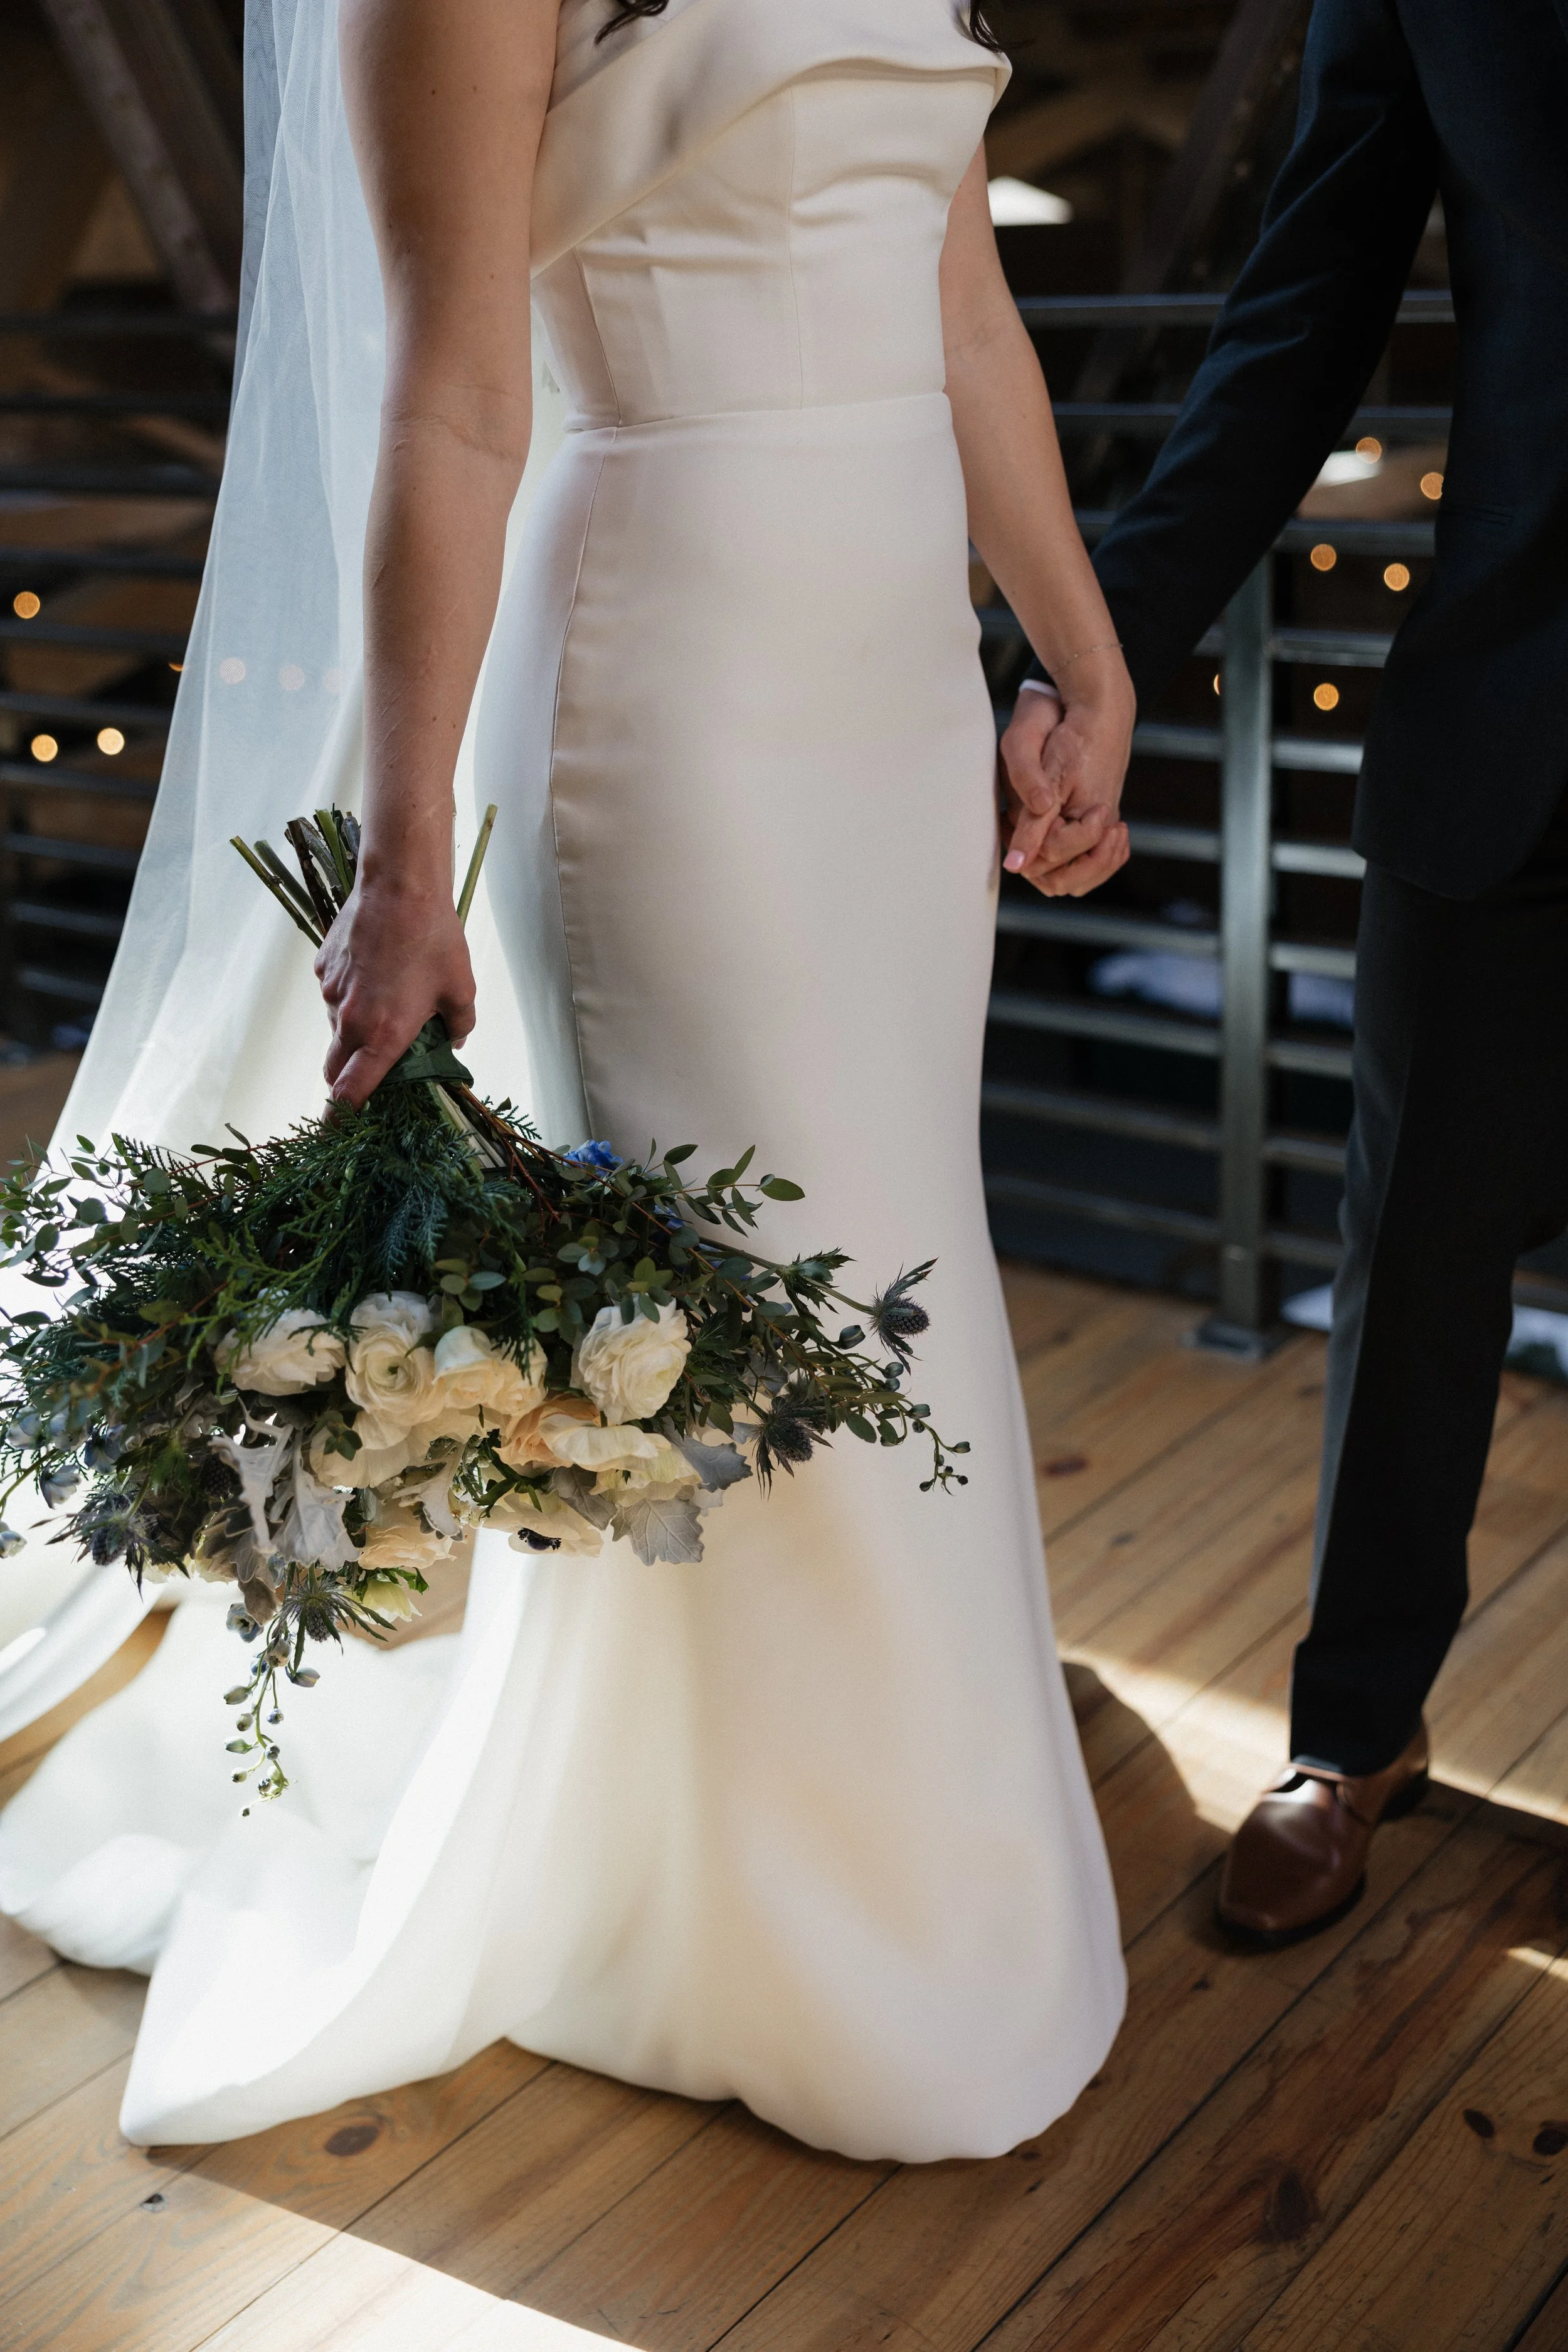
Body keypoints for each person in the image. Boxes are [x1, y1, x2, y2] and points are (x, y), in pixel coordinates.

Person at [0, 0, 1135, 2157]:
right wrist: (407, 860)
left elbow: (961, 306)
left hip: (891, 684)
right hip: (667, 670)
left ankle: (874, 1872)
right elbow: (445, 406)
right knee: (748, 1282)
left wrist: (1075, 644)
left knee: (893, 1251)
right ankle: (776, 1918)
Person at [1000, 0, 1568, 1945]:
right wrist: (1102, 644)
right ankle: (1352, 1734)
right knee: (1412, 1256)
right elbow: (1303, 305)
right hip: (1514, 707)